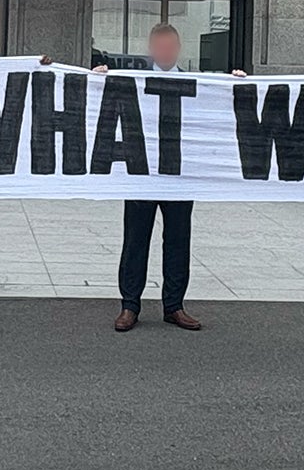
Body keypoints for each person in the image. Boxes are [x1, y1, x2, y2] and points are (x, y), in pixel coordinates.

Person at [94, 22, 247, 333]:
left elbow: (220, 106)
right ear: (151, 50)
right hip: (142, 173)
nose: (164, 52)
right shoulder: (134, 81)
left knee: (178, 240)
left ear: (177, 49)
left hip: (179, 175)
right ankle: (129, 305)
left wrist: (236, 85)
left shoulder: (196, 82)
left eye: (169, 47)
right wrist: (95, 81)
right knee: (135, 241)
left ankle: (174, 306)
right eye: (158, 47)